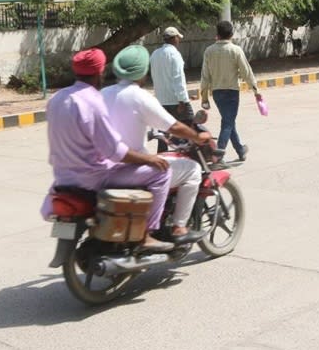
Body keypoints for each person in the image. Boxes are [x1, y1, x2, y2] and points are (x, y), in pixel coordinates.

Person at [39, 47, 174, 253]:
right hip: (94, 178)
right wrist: (148, 159)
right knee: (162, 172)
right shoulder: (93, 101)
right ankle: (148, 234)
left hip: (62, 178)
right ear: (100, 73)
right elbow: (115, 152)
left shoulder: (57, 99)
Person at [102, 45, 210, 244]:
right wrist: (196, 137)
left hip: (103, 169)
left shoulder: (104, 93)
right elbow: (174, 126)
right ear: (143, 72)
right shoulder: (139, 96)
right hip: (129, 167)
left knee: (161, 160)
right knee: (192, 169)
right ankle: (177, 227)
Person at [200, 20, 261, 161]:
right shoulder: (235, 50)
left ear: (217, 34)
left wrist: (204, 96)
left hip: (217, 93)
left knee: (228, 121)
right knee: (228, 122)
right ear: (231, 34)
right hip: (232, 92)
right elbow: (246, 72)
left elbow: (205, 75)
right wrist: (255, 89)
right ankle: (218, 153)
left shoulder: (209, 51)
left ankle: (240, 150)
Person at [149, 26, 193, 152]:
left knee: (163, 131)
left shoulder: (155, 54)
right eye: (178, 38)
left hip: (161, 100)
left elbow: (154, 76)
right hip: (175, 100)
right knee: (190, 128)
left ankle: (162, 156)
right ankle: (187, 155)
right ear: (173, 38)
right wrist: (182, 100)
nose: (179, 40)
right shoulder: (175, 54)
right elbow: (178, 79)